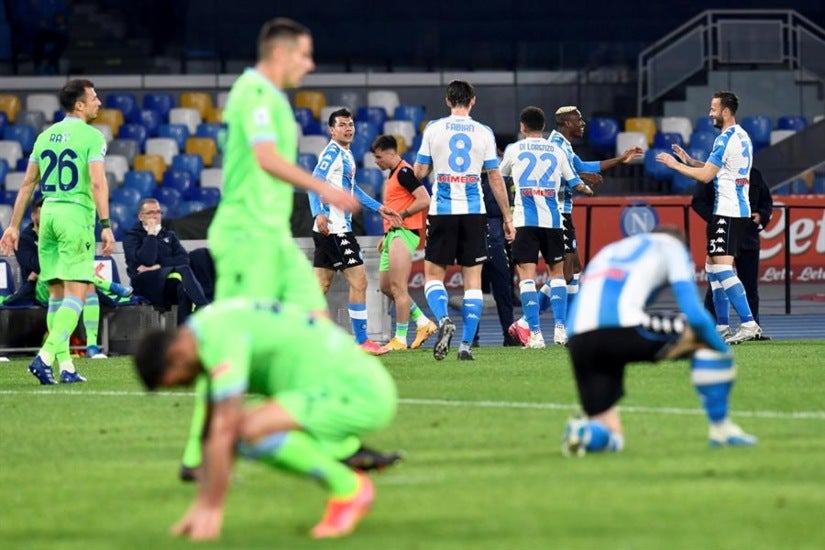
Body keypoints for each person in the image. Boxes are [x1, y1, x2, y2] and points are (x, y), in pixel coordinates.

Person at [180, 17, 393, 485]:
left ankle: (340, 443)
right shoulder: (253, 92)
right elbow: (263, 158)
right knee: (233, 344)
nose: (310, 64)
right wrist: (326, 193)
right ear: (279, 54)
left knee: (315, 326)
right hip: (245, 236)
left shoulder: (274, 99)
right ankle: (198, 451)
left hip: (271, 236)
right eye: (304, 54)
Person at [133, 299, 397, 540]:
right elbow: (211, 430)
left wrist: (212, 509)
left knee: (244, 430)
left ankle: (349, 488)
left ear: (176, 356)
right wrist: (201, 505)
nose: (184, 387)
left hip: (357, 391)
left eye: (177, 383)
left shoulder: (219, 339)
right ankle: (345, 468)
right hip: (335, 387)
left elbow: (225, 428)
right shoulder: (205, 328)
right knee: (243, 432)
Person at [561, 227, 757, 457]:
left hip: (578, 336)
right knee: (702, 339)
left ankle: (584, 432)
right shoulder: (672, 247)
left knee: (611, 435)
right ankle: (722, 431)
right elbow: (694, 313)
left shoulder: (612, 250)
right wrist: (722, 350)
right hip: (620, 325)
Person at [0, 78, 115, 385]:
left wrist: (13, 225)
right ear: (80, 104)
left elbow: (26, 184)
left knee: (56, 294)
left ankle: (66, 367)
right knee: (77, 293)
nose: (98, 103)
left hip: (47, 214)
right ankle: (45, 357)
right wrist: (105, 225)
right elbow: (97, 182)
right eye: (94, 98)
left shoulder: (44, 136)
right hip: (74, 214)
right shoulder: (92, 136)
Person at [508, 105, 642, 345]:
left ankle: (555, 325)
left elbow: (582, 167)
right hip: (555, 213)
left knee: (574, 270)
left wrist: (621, 159)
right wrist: (582, 181)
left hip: (559, 213)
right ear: (567, 123)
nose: (583, 125)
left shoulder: (564, 145)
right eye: (579, 121)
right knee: (565, 272)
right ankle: (531, 324)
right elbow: (558, 177)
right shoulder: (556, 146)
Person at [413, 79, 515, 361]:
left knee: (434, 275)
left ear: (448, 101)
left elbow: (420, 171)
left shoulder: (433, 128)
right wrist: (507, 216)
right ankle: (466, 346)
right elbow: (495, 177)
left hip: (443, 210)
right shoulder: (484, 132)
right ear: (473, 101)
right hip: (474, 212)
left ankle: (444, 318)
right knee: (473, 280)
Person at [656, 91, 762, 344]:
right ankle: (722, 326)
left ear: (725, 111)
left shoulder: (724, 139)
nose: (710, 113)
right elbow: (718, 169)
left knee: (723, 268)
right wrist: (690, 160)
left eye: (713, 109)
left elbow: (706, 177)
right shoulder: (742, 135)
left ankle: (748, 323)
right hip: (735, 209)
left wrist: (675, 165)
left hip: (728, 210)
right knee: (713, 268)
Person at [308, 108, 401, 355]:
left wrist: (379, 208)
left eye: (350, 124)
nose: (348, 128)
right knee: (359, 281)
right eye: (342, 125)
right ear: (331, 130)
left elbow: (353, 190)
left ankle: (303, 338)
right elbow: (314, 182)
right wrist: (318, 211)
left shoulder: (345, 154)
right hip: (335, 229)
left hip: (329, 229)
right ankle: (362, 341)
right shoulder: (331, 153)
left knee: (321, 285)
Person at [500, 106, 590, 348]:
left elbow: (499, 177)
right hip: (553, 220)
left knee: (527, 278)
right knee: (558, 275)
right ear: (544, 127)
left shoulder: (514, 149)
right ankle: (561, 331)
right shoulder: (556, 150)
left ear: (522, 126)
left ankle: (536, 335)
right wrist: (586, 188)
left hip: (525, 221)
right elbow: (574, 182)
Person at [0, 197, 133, 358]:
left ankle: (92, 346)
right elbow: (35, 265)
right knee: (74, 276)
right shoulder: (25, 239)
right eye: (45, 213)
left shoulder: (58, 233)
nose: (50, 216)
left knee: (86, 283)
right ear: (34, 216)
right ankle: (109, 285)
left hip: (65, 279)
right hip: (40, 287)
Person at [370, 134, 438, 351]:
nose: (376, 161)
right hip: (394, 234)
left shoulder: (405, 172)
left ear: (391, 154)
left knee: (398, 287)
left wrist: (402, 215)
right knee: (386, 287)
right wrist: (387, 233)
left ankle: (400, 338)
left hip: (405, 233)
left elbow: (424, 199)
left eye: (379, 157)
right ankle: (422, 322)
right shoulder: (393, 175)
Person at [691, 166, 773, 334]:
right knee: (717, 281)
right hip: (721, 233)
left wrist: (762, 216)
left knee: (749, 286)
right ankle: (712, 329)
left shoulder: (755, 174)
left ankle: (752, 327)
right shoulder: (713, 172)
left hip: (748, 235)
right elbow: (698, 202)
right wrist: (716, 219)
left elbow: (766, 202)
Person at [123, 198, 210, 326]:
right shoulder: (132, 237)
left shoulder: (169, 235)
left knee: (183, 289)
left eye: (158, 212)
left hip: (166, 282)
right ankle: (204, 308)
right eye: (150, 213)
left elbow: (184, 258)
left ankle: (181, 331)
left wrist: (158, 266)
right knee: (183, 270)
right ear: (141, 216)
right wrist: (151, 234)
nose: (155, 216)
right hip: (144, 284)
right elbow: (147, 259)